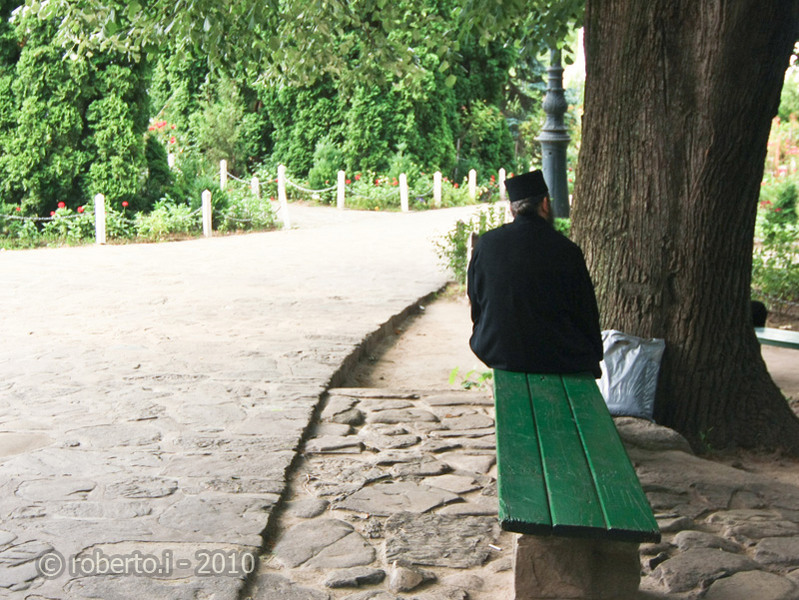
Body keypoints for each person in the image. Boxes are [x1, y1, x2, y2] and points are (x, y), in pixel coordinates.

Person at [467, 170, 603, 377]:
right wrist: (594, 353)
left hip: (498, 350)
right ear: (545, 204)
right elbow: (585, 312)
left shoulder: (487, 244)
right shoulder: (566, 250)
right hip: (556, 356)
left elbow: (476, 301)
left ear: (512, 209)